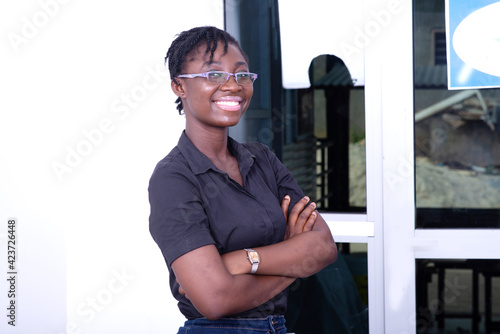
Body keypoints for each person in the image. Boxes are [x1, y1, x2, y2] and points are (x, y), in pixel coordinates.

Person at [149, 26, 337, 334]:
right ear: (179, 86)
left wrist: (243, 260)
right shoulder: (173, 178)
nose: (233, 85)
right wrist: (292, 259)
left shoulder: (261, 159)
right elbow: (215, 300)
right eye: (213, 75)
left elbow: (324, 247)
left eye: (241, 75)